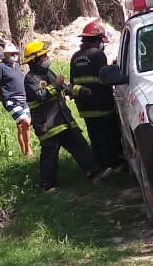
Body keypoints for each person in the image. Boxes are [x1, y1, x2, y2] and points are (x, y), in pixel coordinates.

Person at [23, 40, 112, 192]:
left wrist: (80, 91)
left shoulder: (48, 73)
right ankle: (47, 186)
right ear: (35, 60)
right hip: (48, 126)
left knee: (80, 146)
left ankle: (96, 173)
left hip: (63, 120)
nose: (47, 58)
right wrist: (56, 85)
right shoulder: (31, 79)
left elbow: (64, 88)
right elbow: (41, 95)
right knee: (49, 157)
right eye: (44, 56)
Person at [69, 21, 124, 171]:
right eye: (101, 41)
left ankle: (100, 164)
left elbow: (73, 83)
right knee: (109, 135)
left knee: (95, 135)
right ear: (97, 40)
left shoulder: (75, 57)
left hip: (85, 107)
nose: (103, 44)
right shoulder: (98, 54)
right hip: (102, 104)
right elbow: (105, 78)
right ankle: (114, 163)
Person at [0, 44, 33, 158]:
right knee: (25, 122)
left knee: (22, 126)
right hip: (11, 101)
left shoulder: (17, 65)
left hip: (23, 99)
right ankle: (28, 151)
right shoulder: (0, 68)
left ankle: (24, 150)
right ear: (6, 54)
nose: (15, 55)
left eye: (16, 53)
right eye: (12, 53)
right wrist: (3, 96)